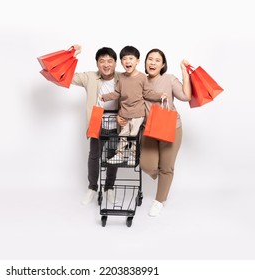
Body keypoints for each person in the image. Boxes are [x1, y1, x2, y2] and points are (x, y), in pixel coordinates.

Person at [118, 48, 191, 217]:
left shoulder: (169, 79)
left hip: (171, 127)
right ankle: (166, 174)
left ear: (163, 64)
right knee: (147, 165)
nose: (152, 62)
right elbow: (126, 100)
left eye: (157, 60)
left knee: (166, 167)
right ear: (144, 62)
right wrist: (118, 116)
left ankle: (159, 200)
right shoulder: (139, 79)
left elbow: (186, 96)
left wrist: (184, 71)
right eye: (150, 59)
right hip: (149, 130)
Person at [70, 45, 121, 205]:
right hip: (97, 122)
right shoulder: (89, 77)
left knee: (113, 157)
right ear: (97, 64)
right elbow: (66, 76)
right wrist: (72, 55)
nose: (106, 64)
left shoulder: (123, 77)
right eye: (102, 61)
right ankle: (92, 188)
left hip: (117, 123)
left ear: (115, 63)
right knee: (94, 155)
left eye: (110, 61)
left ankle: (109, 188)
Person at [102, 46, 166, 166]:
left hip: (138, 114)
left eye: (131, 58)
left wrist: (160, 95)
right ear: (121, 62)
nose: (128, 61)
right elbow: (117, 93)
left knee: (134, 136)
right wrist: (105, 97)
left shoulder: (142, 77)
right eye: (124, 59)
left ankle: (132, 156)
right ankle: (119, 155)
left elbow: (147, 93)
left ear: (137, 61)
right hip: (124, 113)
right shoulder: (121, 77)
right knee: (123, 135)